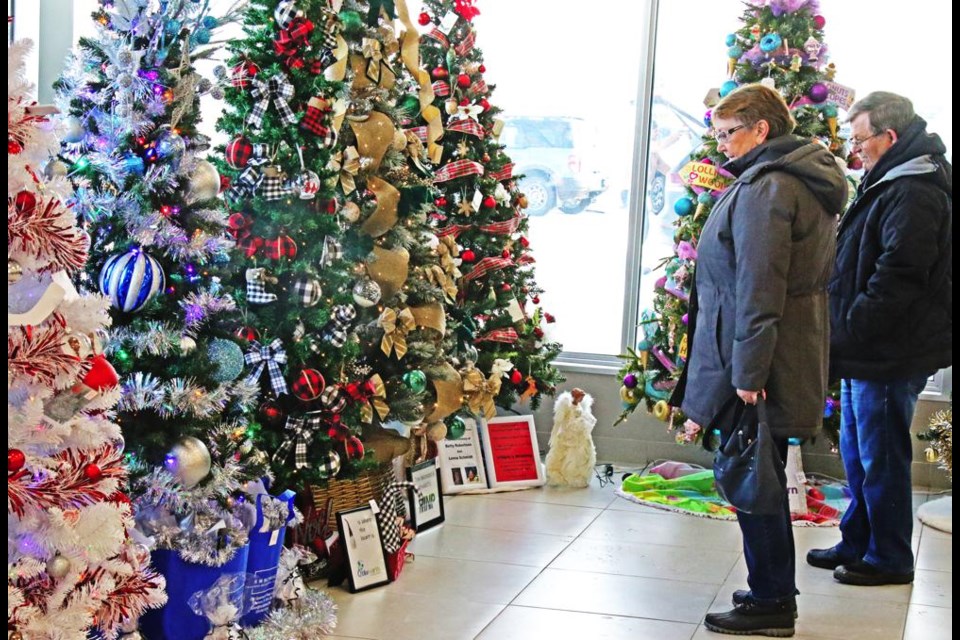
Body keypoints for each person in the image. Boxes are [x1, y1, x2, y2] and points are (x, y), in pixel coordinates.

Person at [670, 83, 847, 637]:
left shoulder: (769, 187)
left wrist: (748, 373)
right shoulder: (795, 178)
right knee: (759, 477)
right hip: (780, 351)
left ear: (761, 129)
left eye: (728, 133)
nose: (721, 146)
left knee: (755, 482)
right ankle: (771, 591)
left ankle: (771, 602)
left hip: (759, 363)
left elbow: (759, 288)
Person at [807, 92, 952, 587]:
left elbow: (900, 273)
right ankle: (857, 540)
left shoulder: (916, 187)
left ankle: (889, 556)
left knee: (882, 455)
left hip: (889, 348)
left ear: (889, 138)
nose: (855, 149)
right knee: (856, 449)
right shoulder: (894, 175)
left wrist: (856, 324)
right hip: (865, 346)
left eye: (861, 139)